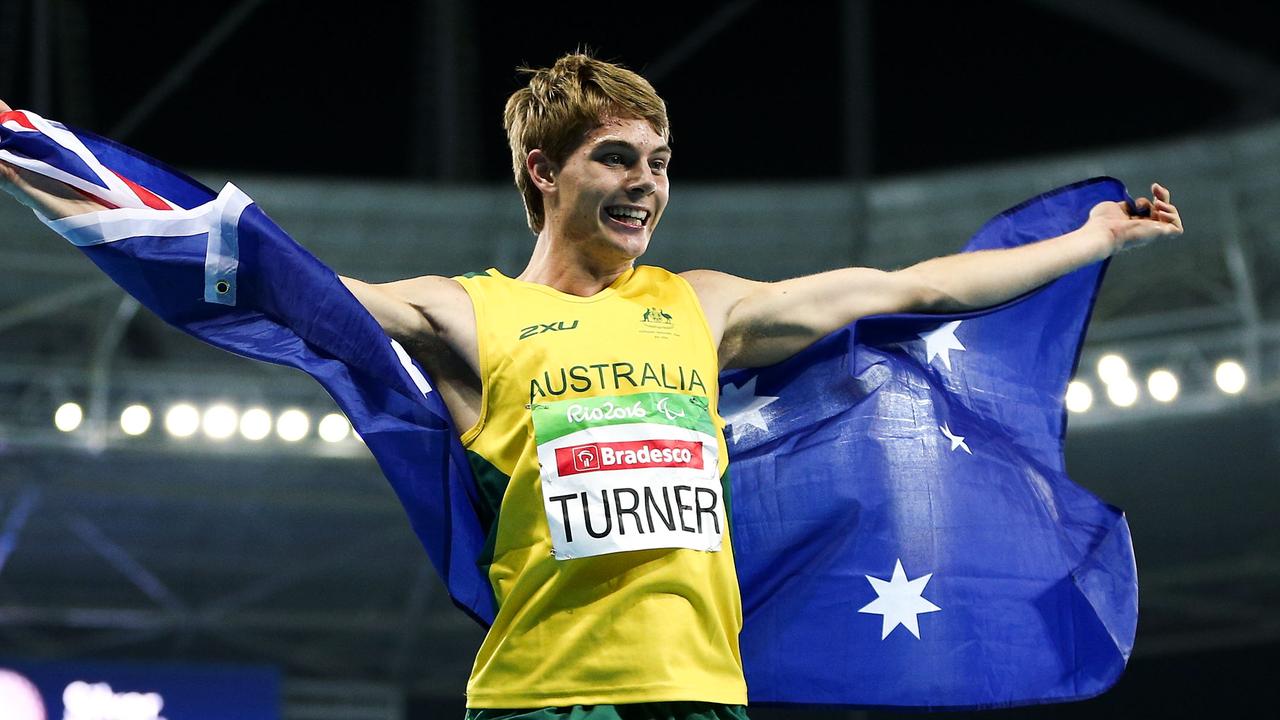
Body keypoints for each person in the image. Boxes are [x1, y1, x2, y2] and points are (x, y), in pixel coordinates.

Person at [0, 53, 1182, 720]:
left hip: (698, 699)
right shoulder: (466, 315)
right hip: (539, 703)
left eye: (658, 162)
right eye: (615, 157)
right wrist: (70, 180)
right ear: (542, 170)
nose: (645, 182)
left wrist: (1090, 241)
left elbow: (919, 288)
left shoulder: (701, 306)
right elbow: (276, 283)